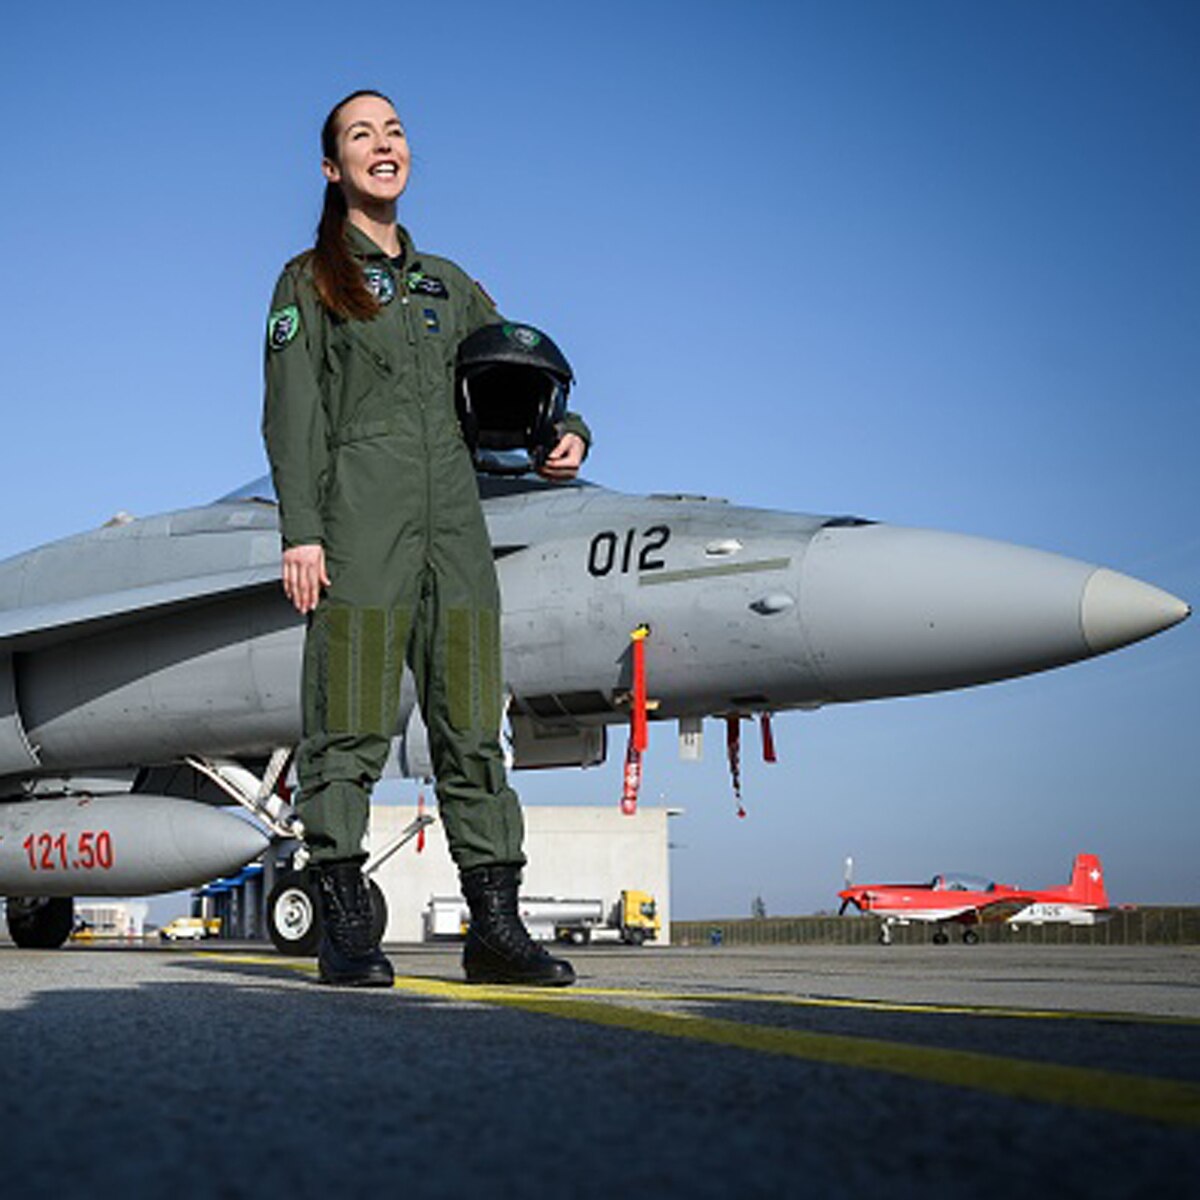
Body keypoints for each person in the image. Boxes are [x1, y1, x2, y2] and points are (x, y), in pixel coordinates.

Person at [262, 90, 589, 988]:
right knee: (350, 721)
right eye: (361, 134)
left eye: (395, 130)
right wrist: (303, 533)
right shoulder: (309, 281)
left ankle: (494, 929)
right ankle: (345, 924)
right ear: (334, 169)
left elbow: (513, 367)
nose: (383, 144)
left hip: (457, 525)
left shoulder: (448, 281)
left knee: (473, 722)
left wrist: (565, 434)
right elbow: (293, 417)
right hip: (362, 522)